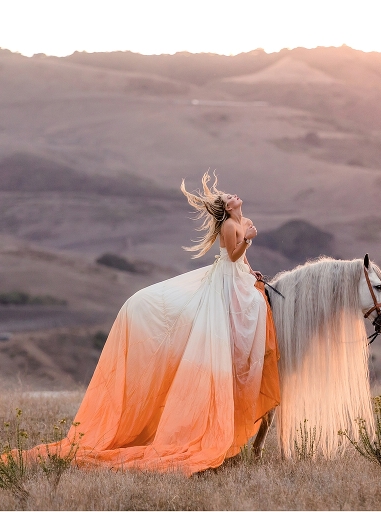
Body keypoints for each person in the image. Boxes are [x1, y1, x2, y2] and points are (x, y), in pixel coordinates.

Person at [20, 171, 280, 475]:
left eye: (229, 196)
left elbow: (242, 264)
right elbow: (234, 256)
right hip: (225, 280)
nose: (232, 196)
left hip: (236, 279)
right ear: (226, 209)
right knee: (244, 315)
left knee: (255, 306)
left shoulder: (239, 220)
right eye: (227, 198)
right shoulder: (228, 226)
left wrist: (252, 269)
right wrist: (247, 240)